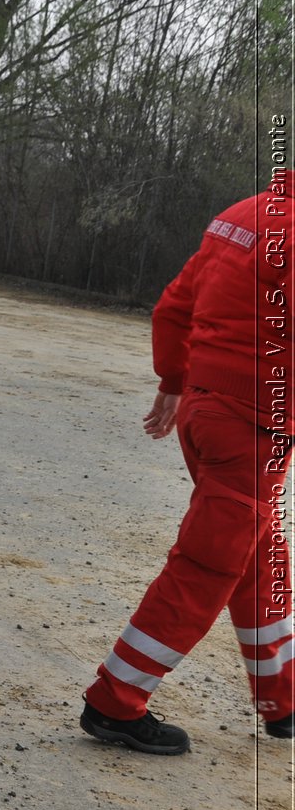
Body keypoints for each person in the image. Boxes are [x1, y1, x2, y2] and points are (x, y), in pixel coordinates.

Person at [80, 172, 294, 754]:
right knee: (208, 565)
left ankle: (283, 700)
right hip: (250, 426)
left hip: (209, 412)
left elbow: (173, 307)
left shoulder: (246, 213)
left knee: (257, 552)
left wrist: (176, 381)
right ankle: (114, 703)